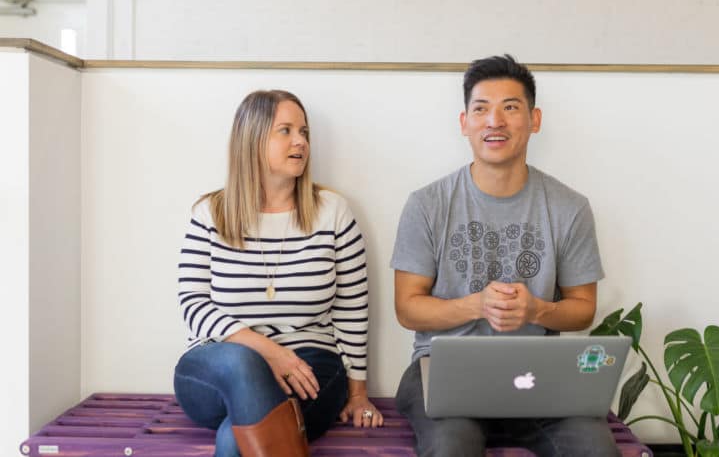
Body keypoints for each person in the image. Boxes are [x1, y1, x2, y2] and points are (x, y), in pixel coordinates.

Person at [390, 55, 617, 457]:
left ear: (535, 119)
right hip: (443, 372)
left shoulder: (570, 207)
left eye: (510, 107)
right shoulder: (427, 204)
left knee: (594, 448)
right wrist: (476, 305)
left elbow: (583, 309)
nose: (494, 121)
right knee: (450, 447)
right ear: (465, 123)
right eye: (481, 109)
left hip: (538, 376)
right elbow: (408, 309)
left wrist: (536, 311)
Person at [174, 90, 383, 457]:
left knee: (232, 437)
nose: (300, 141)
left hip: (309, 370)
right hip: (217, 367)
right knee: (242, 362)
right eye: (285, 131)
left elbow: (352, 310)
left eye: (304, 132)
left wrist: (358, 394)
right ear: (252, 140)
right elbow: (192, 302)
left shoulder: (333, 213)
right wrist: (269, 352)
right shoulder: (211, 213)